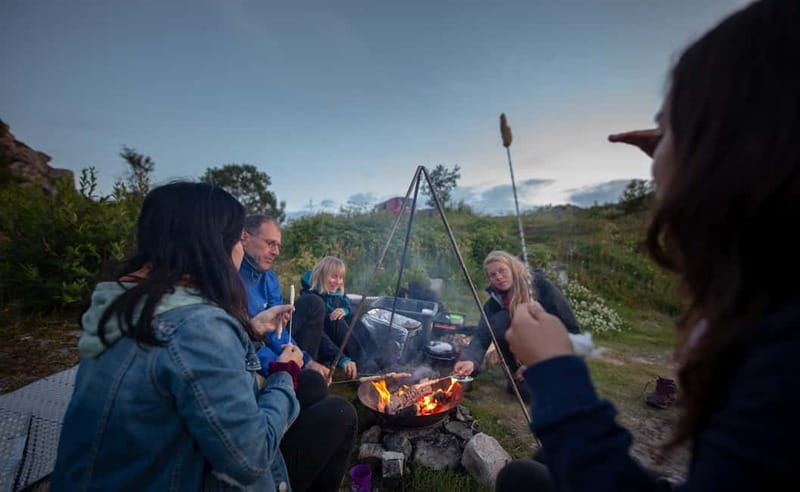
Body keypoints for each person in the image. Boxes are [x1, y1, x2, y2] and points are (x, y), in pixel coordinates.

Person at [498, 1, 800, 489]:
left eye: (671, 127)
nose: (656, 160)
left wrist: (554, 370)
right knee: (525, 474)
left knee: (523, 479)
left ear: (731, 147)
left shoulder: (785, 355)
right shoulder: (774, 306)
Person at [51, 182, 356, 491]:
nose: (239, 249)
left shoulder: (124, 304)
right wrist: (285, 373)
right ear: (214, 245)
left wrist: (250, 330)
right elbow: (250, 459)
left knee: (313, 391)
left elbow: (186, 370)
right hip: (181, 477)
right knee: (340, 414)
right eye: (237, 239)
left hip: (117, 475)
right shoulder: (197, 328)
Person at [453, 250, 579, 399]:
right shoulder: (493, 304)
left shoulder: (542, 288)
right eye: (493, 275)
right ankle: (515, 371)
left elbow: (571, 330)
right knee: (523, 391)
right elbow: (482, 336)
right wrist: (471, 361)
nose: (498, 277)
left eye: (502, 270)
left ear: (512, 268)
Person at [240, 214, 330, 377]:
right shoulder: (231, 279)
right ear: (245, 238)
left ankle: (306, 366)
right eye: (270, 243)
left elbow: (277, 330)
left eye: (278, 246)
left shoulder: (270, 278)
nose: (276, 252)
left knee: (314, 303)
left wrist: (305, 360)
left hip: (266, 343)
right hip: (250, 354)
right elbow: (240, 345)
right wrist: (280, 366)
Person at [292, 256, 379, 378]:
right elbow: (320, 336)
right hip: (317, 347)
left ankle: (376, 357)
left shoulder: (336, 294)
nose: (338, 282)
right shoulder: (311, 299)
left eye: (341, 277)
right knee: (336, 320)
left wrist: (345, 310)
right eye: (333, 276)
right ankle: (365, 365)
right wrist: (342, 359)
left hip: (333, 343)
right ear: (321, 275)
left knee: (351, 317)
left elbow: (349, 306)